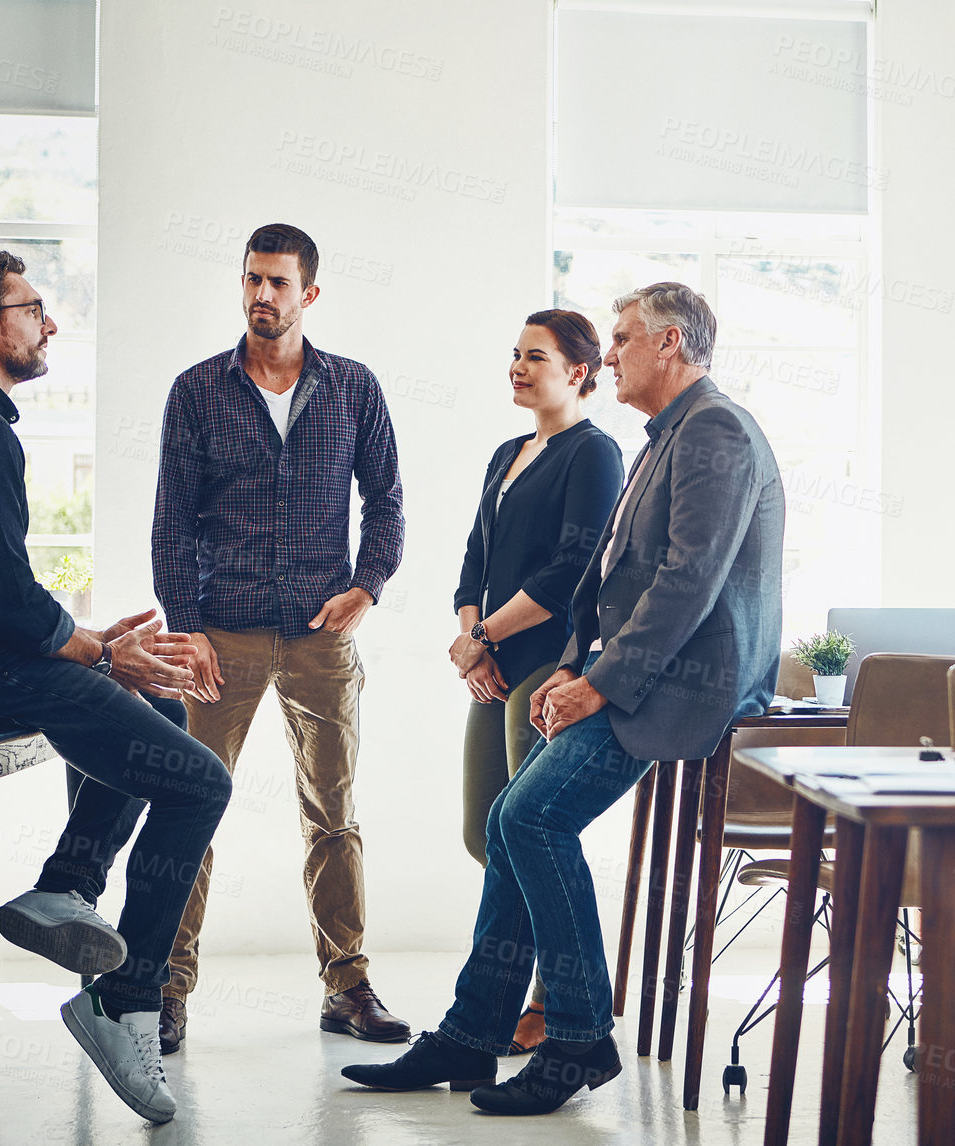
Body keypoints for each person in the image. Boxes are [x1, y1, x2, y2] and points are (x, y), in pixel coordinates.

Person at [342, 282, 784, 1116]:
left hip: (677, 688)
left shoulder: (715, 431)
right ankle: (474, 1034)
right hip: (626, 675)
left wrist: (598, 683)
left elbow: (688, 582)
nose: (608, 354)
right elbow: (614, 575)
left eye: (621, 339)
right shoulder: (667, 438)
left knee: (526, 820)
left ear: (671, 344)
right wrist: (575, 667)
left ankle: (579, 1037)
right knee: (513, 822)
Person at [0, 250, 231, 1125]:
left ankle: (67, 884)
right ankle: (126, 998)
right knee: (201, 782)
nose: (49, 324)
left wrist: (101, 649)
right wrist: (102, 656)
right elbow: (3, 599)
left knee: (163, 705)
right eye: (33, 309)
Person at [151, 223, 407, 1055]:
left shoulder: (354, 389)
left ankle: (347, 986)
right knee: (191, 810)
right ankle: (164, 987)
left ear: (310, 294)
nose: (262, 296)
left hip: (317, 635)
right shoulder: (196, 391)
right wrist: (184, 627)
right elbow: (171, 522)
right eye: (252, 280)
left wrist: (368, 584)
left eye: (279, 283)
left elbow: (388, 500)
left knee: (332, 814)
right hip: (217, 634)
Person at [451, 309, 624, 1053]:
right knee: (483, 834)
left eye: (537, 357)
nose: (519, 368)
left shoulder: (595, 453)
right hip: (492, 665)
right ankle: (523, 990)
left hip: (551, 665)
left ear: (579, 372)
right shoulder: (507, 453)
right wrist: (470, 637)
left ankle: (555, 1001)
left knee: (532, 832)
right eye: (515, 355)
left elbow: (572, 570)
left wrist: (486, 634)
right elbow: (474, 562)